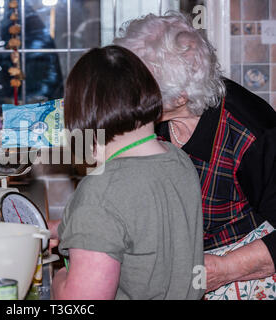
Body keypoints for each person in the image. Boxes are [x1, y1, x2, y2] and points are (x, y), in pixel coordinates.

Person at [112, 12, 276, 299]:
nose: (129, 96)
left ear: (180, 97)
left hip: (241, 277)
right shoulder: (152, 119)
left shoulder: (252, 134)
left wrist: (225, 268)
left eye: (140, 89)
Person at [51, 45, 205, 300]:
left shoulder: (100, 193)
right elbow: (140, 226)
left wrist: (60, 277)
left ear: (81, 118)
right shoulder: (179, 161)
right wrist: (66, 228)